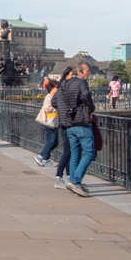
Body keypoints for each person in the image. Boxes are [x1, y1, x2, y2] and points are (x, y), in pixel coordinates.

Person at [55, 63, 95, 197]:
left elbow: (55, 102)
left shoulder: (64, 84)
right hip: (81, 122)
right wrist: (91, 108)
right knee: (89, 153)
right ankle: (75, 181)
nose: (89, 74)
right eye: (87, 71)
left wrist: (67, 111)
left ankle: (73, 181)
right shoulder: (81, 83)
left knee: (75, 153)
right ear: (80, 73)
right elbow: (86, 95)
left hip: (69, 124)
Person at [34, 78, 60, 166]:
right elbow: (46, 108)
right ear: (52, 88)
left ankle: (41, 156)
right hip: (49, 122)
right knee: (50, 142)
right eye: (57, 88)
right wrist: (54, 107)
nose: (58, 90)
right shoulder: (49, 97)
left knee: (54, 143)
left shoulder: (54, 97)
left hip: (54, 123)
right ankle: (45, 159)